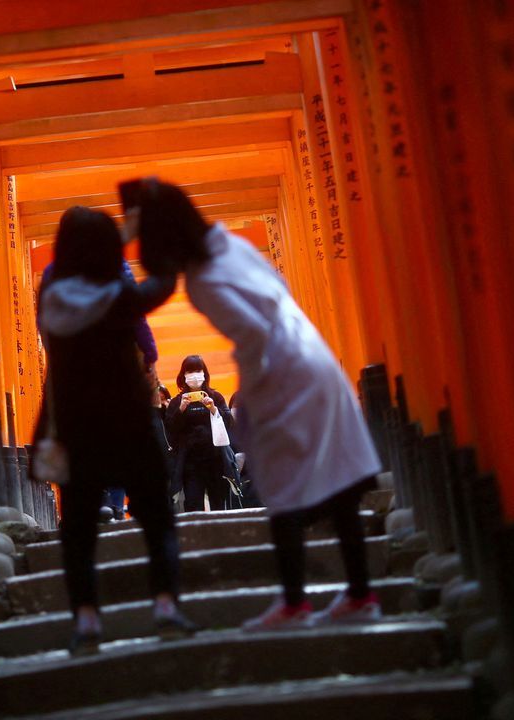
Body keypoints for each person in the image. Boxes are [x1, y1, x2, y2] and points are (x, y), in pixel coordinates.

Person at [133, 179, 383, 630]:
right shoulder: (232, 245)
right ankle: (361, 593)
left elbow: (252, 334)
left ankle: (293, 602)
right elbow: (278, 291)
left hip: (283, 374)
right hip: (315, 355)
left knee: (282, 489)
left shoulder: (203, 281)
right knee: (341, 485)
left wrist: (249, 401)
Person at [34, 206, 195, 654]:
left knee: (80, 526)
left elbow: (48, 337)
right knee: (156, 516)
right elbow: (160, 286)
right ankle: (165, 607)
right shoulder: (115, 290)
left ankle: (86, 622)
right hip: (127, 416)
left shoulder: (51, 287)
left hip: (73, 420)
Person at [37, 258, 158, 523]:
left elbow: (44, 320)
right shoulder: (116, 266)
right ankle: (114, 506)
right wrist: (149, 353)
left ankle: (95, 504)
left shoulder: (54, 271)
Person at [165, 355, 236, 513]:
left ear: (204, 373)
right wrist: (181, 410)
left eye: (198, 370)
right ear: (184, 375)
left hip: (215, 460)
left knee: (219, 506)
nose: (194, 375)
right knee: (192, 506)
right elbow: (170, 430)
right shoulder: (177, 402)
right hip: (190, 464)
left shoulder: (215, 397)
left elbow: (229, 423)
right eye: (190, 371)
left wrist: (213, 409)